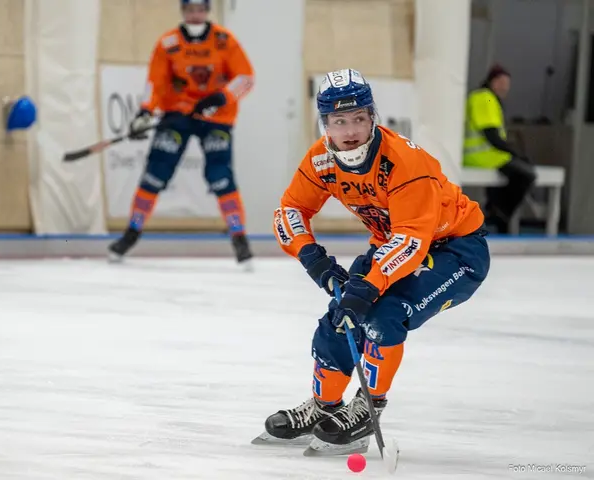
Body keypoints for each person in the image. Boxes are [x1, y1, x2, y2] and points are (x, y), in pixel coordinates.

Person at [257, 69, 490, 456]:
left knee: (383, 315)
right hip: (393, 244)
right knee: (341, 314)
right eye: (339, 121)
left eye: (359, 119)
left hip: (455, 249)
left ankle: (369, 407)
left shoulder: (404, 162)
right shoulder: (321, 160)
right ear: (325, 124)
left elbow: (412, 240)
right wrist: (315, 260)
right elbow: (289, 211)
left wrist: (366, 287)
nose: (350, 131)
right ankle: (324, 405)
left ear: (373, 118)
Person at [108, 0, 255, 266]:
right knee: (155, 174)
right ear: (183, 11)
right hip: (178, 116)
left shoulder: (225, 40)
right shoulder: (168, 43)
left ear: (207, 10)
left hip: (216, 118)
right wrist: (145, 111)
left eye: (200, 9)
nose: (195, 15)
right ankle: (131, 232)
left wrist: (220, 98)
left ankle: (239, 237)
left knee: (220, 177)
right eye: (190, 9)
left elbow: (245, 77)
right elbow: (155, 81)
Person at [463, 64, 537, 233]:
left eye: (507, 84)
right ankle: (499, 214)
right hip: (481, 156)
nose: (505, 87)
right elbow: (491, 135)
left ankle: (495, 211)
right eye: (502, 82)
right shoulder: (486, 98)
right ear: (492, 82)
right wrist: (514, 152)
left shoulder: (485, 97)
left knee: (515, 171)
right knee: (526, 174)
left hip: (485, 155)